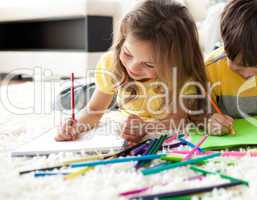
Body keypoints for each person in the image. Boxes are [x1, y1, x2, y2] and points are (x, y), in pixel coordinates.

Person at [55, 0, 208, 144]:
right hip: (120, 92)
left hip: (130, 103)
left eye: (148, 64)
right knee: (62, 100)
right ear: (122, 40)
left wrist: (146, 127)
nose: (133, 67)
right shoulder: (112, 63)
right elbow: (94, 110)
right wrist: (75, 126)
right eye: (128, 53)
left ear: (174, 63)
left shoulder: (182, 78)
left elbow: (176, 120)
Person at [206, 0, 257, 135]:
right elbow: (198, 116)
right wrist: (209, 121)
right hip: (228, 146)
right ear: (225, 48)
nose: (247, 73)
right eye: (238, 65)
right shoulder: (210, 70)